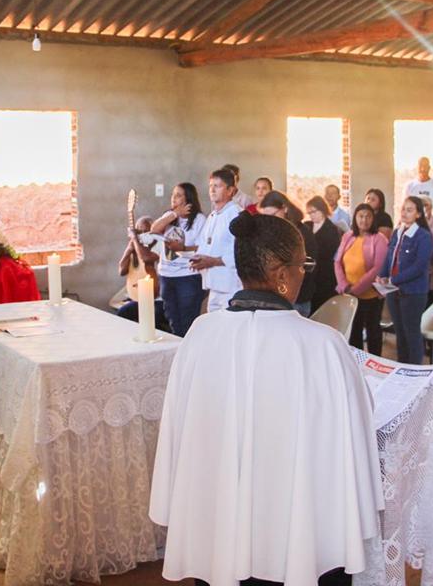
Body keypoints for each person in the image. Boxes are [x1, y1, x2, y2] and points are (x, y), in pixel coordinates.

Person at [149, 211, 382, 586]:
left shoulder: (201, 334)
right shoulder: (323, 344)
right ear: (281, 276)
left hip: (220, 524)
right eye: (302, 265)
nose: (304, 273)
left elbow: (180, 427)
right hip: (300, 532)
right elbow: (353, 432)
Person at [378, 196, 433, 364]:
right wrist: (382, 275)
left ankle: (414, 369)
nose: (405, 213)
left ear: (418, 214)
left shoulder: (423, 236)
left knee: (411, 332)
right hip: (393, 290)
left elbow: (419, 266)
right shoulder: (397, 232)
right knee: (400, 332)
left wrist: (394, 279)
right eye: (403, 209)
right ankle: (402, 366)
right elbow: (389, 257)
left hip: (413, 292)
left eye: (410, 210)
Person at [151, 182, 207, 337]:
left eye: (178, 195)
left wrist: (183, 248)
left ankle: (188, 350)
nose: (173, 198)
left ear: (188, 198)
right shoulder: (169, 216)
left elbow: (202, 247)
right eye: (173, 195)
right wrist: (175, 214)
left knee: (188, 322)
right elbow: (153, 229)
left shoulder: (199, 219)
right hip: (166, 275)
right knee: (173, 321)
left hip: (187, 276)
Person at [334, 204, 388, 356]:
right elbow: (337, 261)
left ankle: (374, 362)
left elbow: (377, 268)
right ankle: (357, 362)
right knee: (354, 331)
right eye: (361, 216)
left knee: (373, 331)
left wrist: (356, 289)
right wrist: (344, 285)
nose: (364, 220)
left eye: (368, 216)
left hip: (371, 295)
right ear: (355, 218)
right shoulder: (348, 236)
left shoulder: (379, 239)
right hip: (349, 294)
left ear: (373, 219)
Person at [191, 169, 243, 312]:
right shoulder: (212, 215)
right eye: (211, 186)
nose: (212, 190)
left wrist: (213, 261)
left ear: (230, 190)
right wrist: (199, 259)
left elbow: (242, 251)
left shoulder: (236, 214)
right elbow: (204, 244)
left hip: (231, 287)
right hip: (213, 286)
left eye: (217, 186)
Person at [259, 191, 315, 317]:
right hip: (277, 296)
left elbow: (307, 266)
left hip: (297, 298)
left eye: (273, 215)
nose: (270, 221)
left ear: (284, 208)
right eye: (266, 217)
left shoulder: (301, 232)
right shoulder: (274, 231)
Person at [116, 216, 167, 328]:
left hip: (159, 299)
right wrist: (129, 249)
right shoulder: (136, 246)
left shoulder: (159, 243)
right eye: (139, 232)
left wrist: (134, 239)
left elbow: (146, 258)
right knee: (123, 313)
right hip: (140, 298)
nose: (142, 235)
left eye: (146, 231)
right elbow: (122, 271)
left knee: (153, 317)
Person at [304, 196, 341, 313]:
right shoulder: (307, 226)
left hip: (325, 274)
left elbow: (329, 252)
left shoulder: (332, 229)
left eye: (313, 212)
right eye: (309, 213)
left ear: (322, 210)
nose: (311, 215)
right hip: (309, 272)